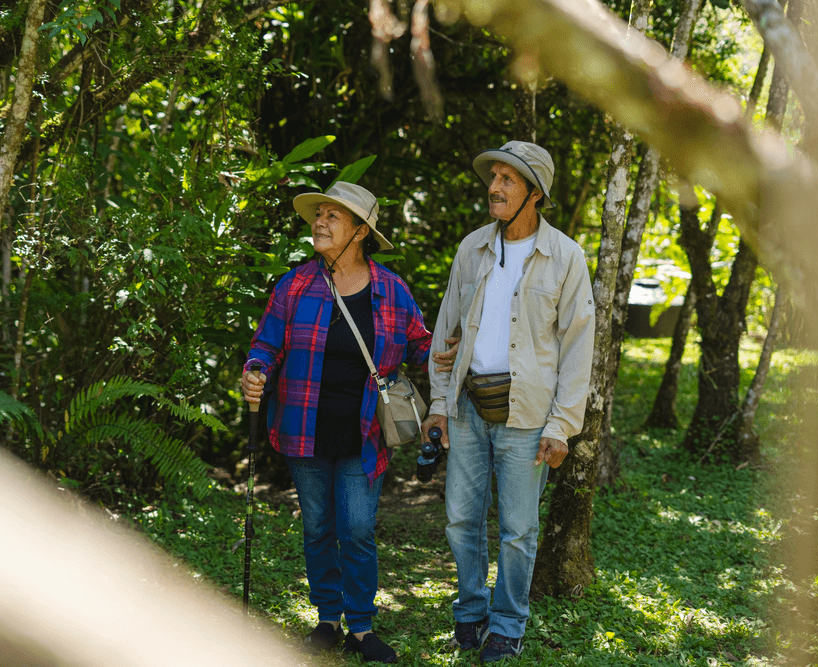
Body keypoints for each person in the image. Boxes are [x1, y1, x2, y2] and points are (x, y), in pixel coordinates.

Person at [241, 181, 432, 664]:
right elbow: (266, 344)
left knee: (358, 528)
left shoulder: (391, 290)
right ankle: (328, 619)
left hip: (364, 431)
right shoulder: (294, 285)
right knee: (318, 526)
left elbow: (421, 345)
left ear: (361, 232)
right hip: (304, 425)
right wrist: (256, 369)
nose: (320, 222)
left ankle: (361, 628)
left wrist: (453, 352)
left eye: (333, 216)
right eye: (319, 214)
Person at [422, 140, 596, 663]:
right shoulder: (472, 247)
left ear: (535, 194)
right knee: (460, 519)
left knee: (518, 530)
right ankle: (471, 612)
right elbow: (446, 328)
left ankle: (508, 623)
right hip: (469, 405)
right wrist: (438, 402)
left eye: (507, 180)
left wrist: (561, 427)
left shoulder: (565, 256)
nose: (494, 187)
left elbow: (578, 346)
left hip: (529, 415)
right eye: (493, 177)